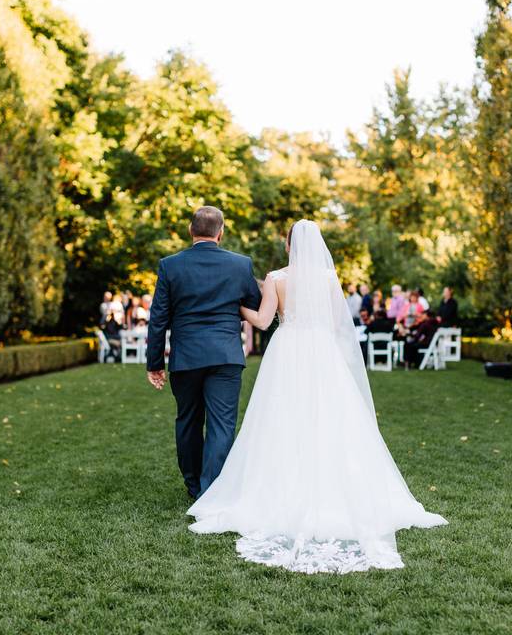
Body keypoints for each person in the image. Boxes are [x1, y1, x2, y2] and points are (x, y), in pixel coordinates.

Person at [187, 219, 447, 574]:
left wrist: (236, 307)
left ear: (288, 245)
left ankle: (278, 484)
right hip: (323, 353)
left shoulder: (277, 278)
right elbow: (339, 326)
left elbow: (263, 322)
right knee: (329, 419)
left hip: (288, 351)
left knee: (282, 420)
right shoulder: (328, 278)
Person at [146, 206, 262, 501]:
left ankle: (195, 486)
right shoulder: (240, 265)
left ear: (190, 230)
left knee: (188, 420)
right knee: (222, 423)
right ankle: (213, 489)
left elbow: (159, 317)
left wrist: (155, 363)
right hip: (225, 355)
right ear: (220, 232)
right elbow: (254, 302)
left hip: (186, 357)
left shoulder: (170, 266)